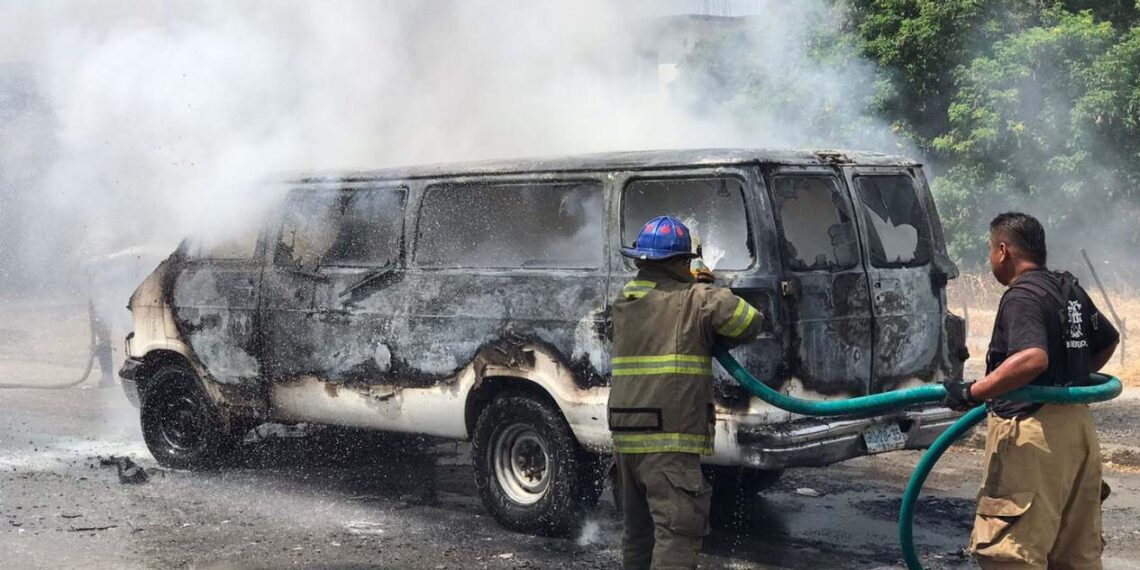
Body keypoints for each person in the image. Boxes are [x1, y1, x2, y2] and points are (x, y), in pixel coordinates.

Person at [942, 212, 1119, 570]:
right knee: (1074, 553)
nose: (991, 257)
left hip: (1032, 431)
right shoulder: (1068, 289)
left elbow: (1031, 358)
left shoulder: (1021, 296)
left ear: (1003, 250)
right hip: (1076, 428)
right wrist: (1069, 377)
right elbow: (1108, 339)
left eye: (991, 250)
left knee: (1011, 553)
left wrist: (974, 391)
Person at [608, 216, 763, 570]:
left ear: (640, 260)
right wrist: (707, 285)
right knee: (677, 534)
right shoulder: (696, 300)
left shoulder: (625, 300)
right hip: (669, 442)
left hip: (626, 439)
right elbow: (750, 322)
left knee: (639, 533)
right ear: (682, 262)